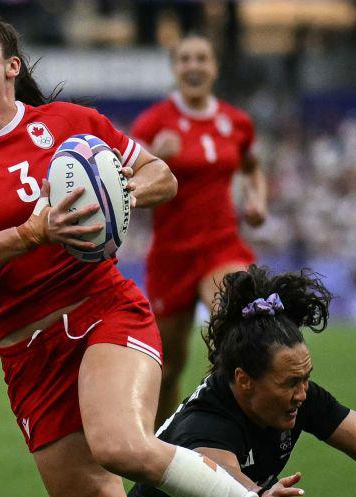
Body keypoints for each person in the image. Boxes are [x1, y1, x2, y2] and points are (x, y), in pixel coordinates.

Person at [0, 13, 264, 497]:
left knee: (120, 446)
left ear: (11, 66)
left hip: (103, 311)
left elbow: (162, 175)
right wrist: (31, 233)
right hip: (27, 354)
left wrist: (122, 192)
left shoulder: (70, 124)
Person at [129, 266, 356, 497]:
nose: (302, 394)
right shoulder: (205, 428)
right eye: (290, 383)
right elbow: (228, 482)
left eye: (305, 379)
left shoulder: (295, 396)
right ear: (244, 380)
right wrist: (259, 494)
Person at [130, 35, 268, 426]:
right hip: (172, 255)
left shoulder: (236, 122)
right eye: (185, 59)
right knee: (169, 366)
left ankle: (233, 432)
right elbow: (127, 184)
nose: (194, 66)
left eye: (202, 59)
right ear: (175, 69)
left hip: (221, 245)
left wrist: (257, 201)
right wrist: (156, 157)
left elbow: (252, 166)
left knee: (234, 327)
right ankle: (159, 450)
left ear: (214, 67)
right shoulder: (153, 123)